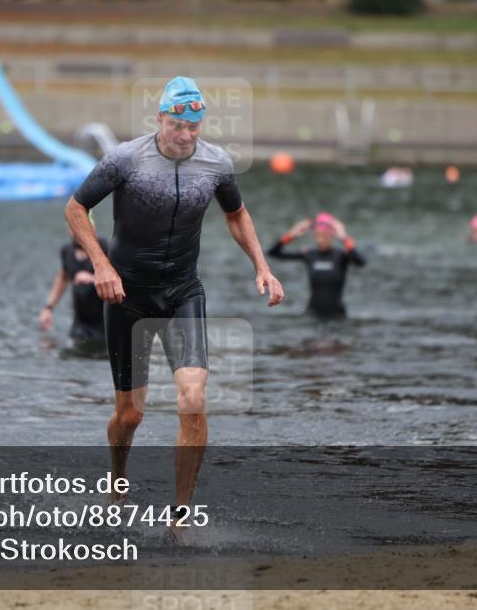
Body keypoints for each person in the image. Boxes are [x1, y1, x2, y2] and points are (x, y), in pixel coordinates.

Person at [64, 76, 284, 537]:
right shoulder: (125, 159)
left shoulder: (216, 163)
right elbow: (75, 209)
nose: (186, 135)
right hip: (126, 294)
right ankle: (118, 477)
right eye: (178, 125)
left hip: (182, 291)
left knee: (194, 399)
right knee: (131, 415)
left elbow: (236, 214)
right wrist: (102, 265)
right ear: (160, 118)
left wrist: (262, 266)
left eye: (195, 126)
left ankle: (180, 518)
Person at [268, 212, 366, 319]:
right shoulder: (310, 254)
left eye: (324, 235)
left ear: (331, 235)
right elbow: (273, 253)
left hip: (337, 316)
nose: (320, 240)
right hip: (312, 314)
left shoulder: (341, 256)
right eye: (317, 235)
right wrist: (292, 234)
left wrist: (344, 237)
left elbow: (361, 262)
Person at [40, 215, 109, 343]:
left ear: (92, 228)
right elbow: (62, 278)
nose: (76, 232)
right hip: (80, 323)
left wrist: (93, 278)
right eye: (72, 228)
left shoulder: (104, 247)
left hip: (105, 322)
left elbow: (121, 278)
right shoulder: (67, 251)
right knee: (75, 355)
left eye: (80, 227)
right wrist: (48, 308)